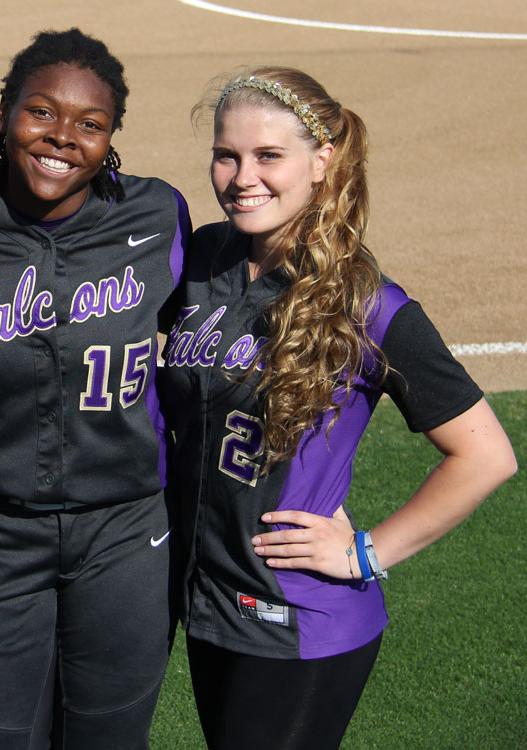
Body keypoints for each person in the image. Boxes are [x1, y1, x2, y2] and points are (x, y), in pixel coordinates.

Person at [162, 66, 517, 749]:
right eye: (226, 155)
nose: (242, 177)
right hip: (209, 604)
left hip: (301, 618)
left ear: (322, 161)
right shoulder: (206, 259)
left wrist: (367, 552)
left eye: (269, 156)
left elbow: (486, 455)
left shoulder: (370, 304)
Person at [0, 28, 188, 750]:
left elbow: (218, 336)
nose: (62, 138)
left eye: (90, 125)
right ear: (4, 112)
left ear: (112, 136)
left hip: (124, 534)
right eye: (41, 112)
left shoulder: (157, 217)